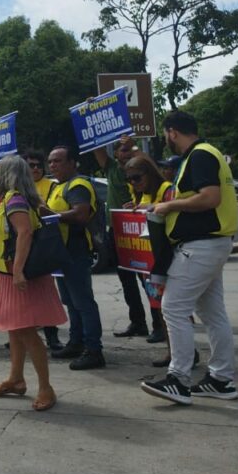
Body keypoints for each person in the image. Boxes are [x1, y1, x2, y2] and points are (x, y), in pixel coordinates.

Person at [141, 111, 238, 405]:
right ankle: (221, 380)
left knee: (173, 308)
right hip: (211, 244)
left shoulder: (199, 155)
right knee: (212, 313)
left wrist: (169, 207)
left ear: (172, 132)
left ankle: (178, 380)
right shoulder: (207, 154)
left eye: (165, 134)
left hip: (201, 246)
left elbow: (210, 198)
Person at [0, 156, 67, 411]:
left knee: (26, 332)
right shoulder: (10, 199)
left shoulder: (16, 200)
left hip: (16, 276)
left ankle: (46, 388)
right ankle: (16, 379)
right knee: (15, 330)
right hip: (6, 275)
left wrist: (18, 271)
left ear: (7, 174)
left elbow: (25, 233)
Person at [45, 145, 105, 370]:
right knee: (71, 301)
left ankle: (94, 350)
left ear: (72, 163)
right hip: (61, 253)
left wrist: (51, 216)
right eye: (50, 161)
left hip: (76, 252)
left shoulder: (78, 185)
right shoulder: (58, 187)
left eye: (58, 161)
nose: (52, 165)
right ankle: (76, 342)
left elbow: (80, 214)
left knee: (83, 302)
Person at [123, 154, 183, 368]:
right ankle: (172, 351)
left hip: (168, 259)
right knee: (159, 308)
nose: (134, 183)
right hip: (150, 261)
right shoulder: (142, 195)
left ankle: (183, 353)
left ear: (149, 173)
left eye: (137, 178)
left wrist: (148, 210)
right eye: (129, 179)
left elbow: (173, 215)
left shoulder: (167, 190)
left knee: (172, 310)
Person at [94, 136, 152, 341]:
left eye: (129, 150)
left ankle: (161, 325)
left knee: (148, 280)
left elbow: (149, 162)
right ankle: (138, 322)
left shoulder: (142, 168)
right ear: (116, 153)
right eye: (122, 150)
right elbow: (97, 149)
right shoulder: (112, 169)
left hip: (138, 228)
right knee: (126, 280)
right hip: (117, 230)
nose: (126, 153)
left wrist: (134, 145)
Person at [22, 149, 63, 351]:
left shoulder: (52, 185)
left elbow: (52, 212)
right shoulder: (17, 187)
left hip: (43, 243)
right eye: (31, 165)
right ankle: (22, 334)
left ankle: (52, 336)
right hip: (22, 245)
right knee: (23, 295)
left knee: (46, 293)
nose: (36, 169)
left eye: (39, 165)